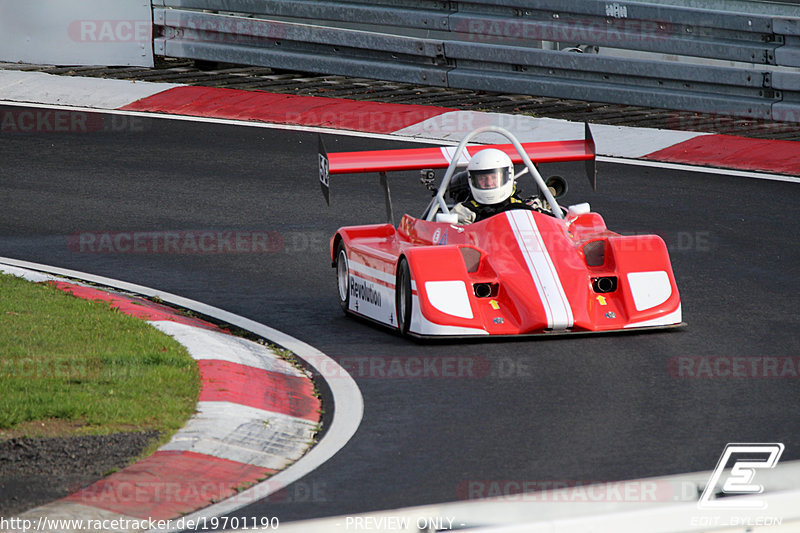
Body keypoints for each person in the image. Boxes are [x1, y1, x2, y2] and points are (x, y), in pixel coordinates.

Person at [452, 148, 549, 224]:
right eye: (482, 178)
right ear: (473, 180)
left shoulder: (527, 206)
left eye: (494, 177)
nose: (489, 183)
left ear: (507, 176)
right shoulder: (464, 211)